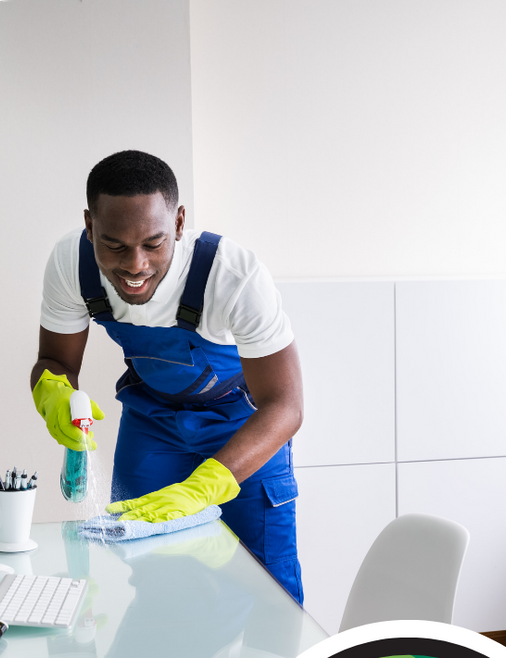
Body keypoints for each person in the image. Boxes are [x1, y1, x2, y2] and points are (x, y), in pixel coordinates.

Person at [31, 150, 304, 602]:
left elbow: (285, 405)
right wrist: (55, 394)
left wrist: (205, 486)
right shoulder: (71, 264)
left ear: (178, 223)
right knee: (153, 570)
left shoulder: (233, 276)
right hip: (153, 419)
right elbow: (56, 362)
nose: (135, 265)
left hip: (245, 423)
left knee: (266, 583)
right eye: (114, 244)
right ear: (89, 225)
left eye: (153, 243)